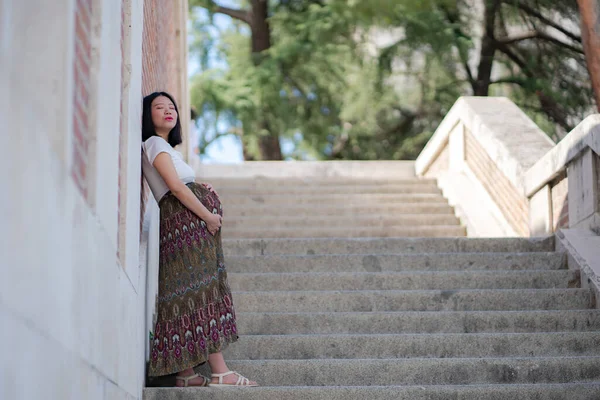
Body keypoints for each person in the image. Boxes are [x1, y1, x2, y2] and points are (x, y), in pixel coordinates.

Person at [141, 91, 257, 388]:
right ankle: (219, 372)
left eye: (171, 107)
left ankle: (186, 373)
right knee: (200, 293)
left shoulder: (165, 147)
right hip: (185, 226)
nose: (168, 111)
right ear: (147, 114)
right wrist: (207, 215)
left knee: (189, 294)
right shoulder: (154, 143)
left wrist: (200, 189)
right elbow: (177, 189)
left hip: (184, 226)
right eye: (159, 107)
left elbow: (182, 184)